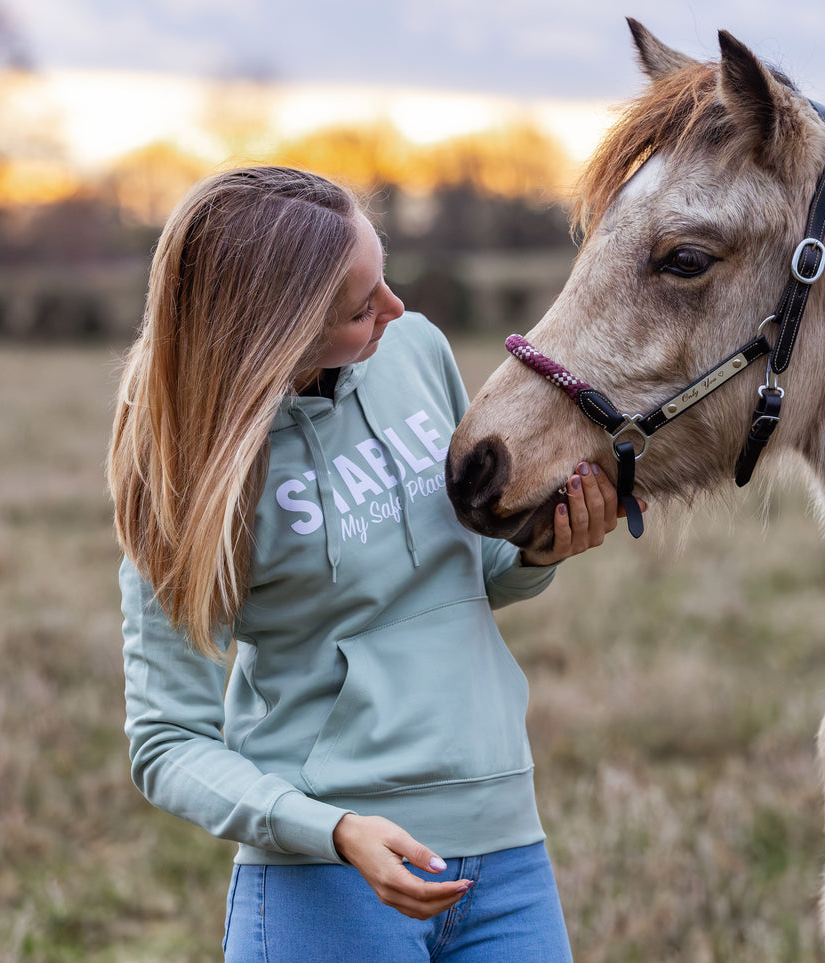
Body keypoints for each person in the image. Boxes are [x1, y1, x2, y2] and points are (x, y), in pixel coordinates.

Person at [107, 166, 625, 962]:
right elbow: (166, 741)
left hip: (507, 848)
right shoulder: (186, 475)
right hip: (327, 879)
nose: (395, 309)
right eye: (359, 308)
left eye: (384, 278)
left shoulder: (415, 351)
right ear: (274, 332)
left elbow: (467, 569)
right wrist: (332, 829)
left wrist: (536, 547)